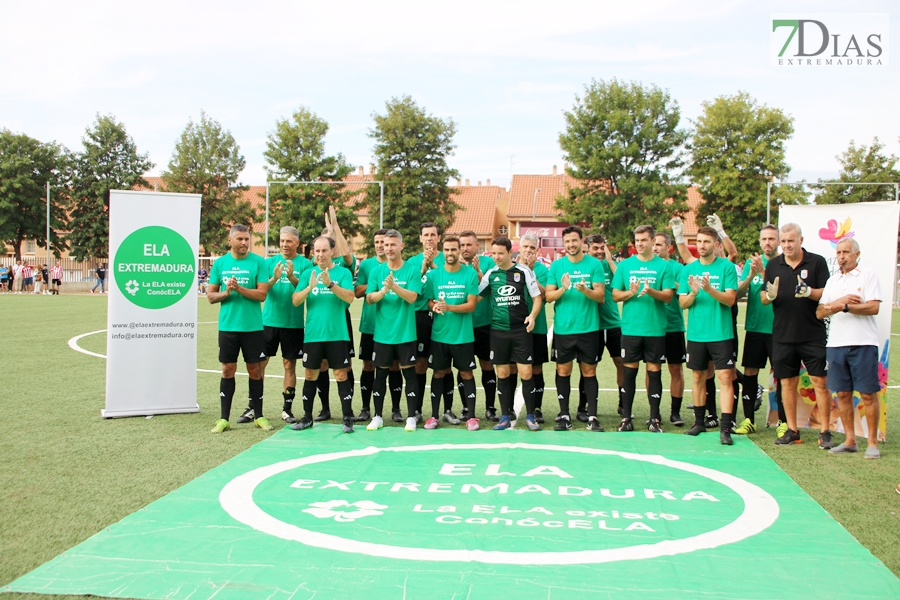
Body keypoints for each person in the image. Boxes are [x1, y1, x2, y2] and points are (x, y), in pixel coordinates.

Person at [762, 223, 833, 448]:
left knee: (820, 382)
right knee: (787, 384)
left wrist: (810, 292)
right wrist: (770, 295)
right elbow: (764, 297)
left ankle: (826, 431)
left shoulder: (817, 262)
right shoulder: (774, 265)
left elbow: (827, 293)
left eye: (790, 241)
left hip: (813, 334)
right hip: (783, 335)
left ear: (801, 240)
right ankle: (792, 430)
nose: (786, 245)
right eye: (783, 241)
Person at [818, 239, 882, 459]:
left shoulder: (867, 275)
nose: (842, 256)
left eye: (846, 252)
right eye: (838, 252)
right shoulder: (832, 281)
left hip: (863, 343)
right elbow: (819, 312)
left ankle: (872, 442)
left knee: (867, 393)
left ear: (857, 254)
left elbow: (873, 307)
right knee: (843, 393)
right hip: (836, 344)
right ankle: (850, 440)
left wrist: (844, 306)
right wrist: (838, 302)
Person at [242, 226, 311, 425]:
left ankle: (287, 409)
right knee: (259, 365)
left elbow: (306, 289)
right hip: (268, 322)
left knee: (289, 365)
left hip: (293, 323)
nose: (284, 244)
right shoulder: (269, 262)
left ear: (297, 243)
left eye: (289, 241)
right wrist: (274, 278)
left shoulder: (306, 264)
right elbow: (262, 289)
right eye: (282, 240)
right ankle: (254, 407)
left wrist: (290, 277)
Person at [611, 225, 676, 432]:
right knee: (629, 373)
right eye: (637, 240)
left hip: (655, 329)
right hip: (631, 329)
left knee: (654, 371)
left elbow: (668, 297)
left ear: (652, 241)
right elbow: (615, 295)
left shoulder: (663, 266)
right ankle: (627, 419)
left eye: (644, 240)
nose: (639, 244)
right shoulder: (625, 266)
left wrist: (651, 291)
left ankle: (654, 418)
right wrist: (631, 293)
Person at [207, 224, 271, 433]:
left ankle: (259, 416)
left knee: (255, 370)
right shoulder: (220, 264)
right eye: (240, 239)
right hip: (228, 327)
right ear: (230, 241)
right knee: (227, 370)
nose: (244, 243)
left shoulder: (259, 262)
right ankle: (223, 419)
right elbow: (211, 296)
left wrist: (239, 288)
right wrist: (227, 293)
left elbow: (262, 294)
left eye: (247, 239)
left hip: (252, 327)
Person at [678, 227, 739, 445]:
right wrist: (694, 292)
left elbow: (730, 300)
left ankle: (725, 428)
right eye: (699, 242)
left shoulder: (727, 267)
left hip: (721, 334)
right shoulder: (688, 270)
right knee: (697, 377)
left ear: (716, 244)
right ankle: (699, 422)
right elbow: (682, 304)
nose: (702, 245)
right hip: (696, 334)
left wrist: (710, 289)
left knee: (724, 378)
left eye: (706, 241)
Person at [290, 236, 356, 433]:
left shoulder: (343, 273)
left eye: (324, 250)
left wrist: (330, 285)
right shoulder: (307, 274)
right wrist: (309, 287)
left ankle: (347, 418)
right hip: (313, 335)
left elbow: (350, 298)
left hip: (337, 334)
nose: (320, 254)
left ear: (332, 252)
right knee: (310, 374)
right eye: (317, 251)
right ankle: (307, 417)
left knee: (341, 374)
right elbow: (295, 300)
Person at [478, 236, 543, 431]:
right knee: (503, 373)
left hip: (520, 331)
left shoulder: (523, 271)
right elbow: (476, 297)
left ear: (509, 253)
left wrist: (532, 316)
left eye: (500, 253)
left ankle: (530, 416)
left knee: (526, 372)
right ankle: (505, 416)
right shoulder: (490, 275)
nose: (496, 257)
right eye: (493, 253)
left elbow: (538, 298)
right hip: (498, 331)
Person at [545, 226, 606, 432]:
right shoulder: (557, 266)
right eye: (567, 241)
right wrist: (564, 288)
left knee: (589, 371)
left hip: (588, 328)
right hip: (564, 329)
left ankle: (592, 416)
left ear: (582, 242)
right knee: (563, 370)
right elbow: (548, 296)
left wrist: (585, 289)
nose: (571, 245)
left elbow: (600, 296)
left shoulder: (595, 265)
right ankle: (564, 415)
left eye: (574, 240)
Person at [365, 229, 424, 432]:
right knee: (380, 376)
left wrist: (393, 287)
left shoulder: (412, 270)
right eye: (384, 244)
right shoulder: (376, 271)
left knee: (410, 376)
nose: (387, 248)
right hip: (383, 334)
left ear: (401, 246)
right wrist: (383, 290)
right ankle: (378, 416)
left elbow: (413, 297)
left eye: (391, 244)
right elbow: (369, 299)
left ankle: (411, 418)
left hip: (406, 333)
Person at [424, 235, 480, 430]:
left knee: (466, 373)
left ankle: (472, 417)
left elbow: (471, 305)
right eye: (446, 250)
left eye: (453, 249)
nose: (450, 253)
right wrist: (435, 307)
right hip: (439, 335)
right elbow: (429, 301)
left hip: (463, 336)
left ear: (459, 251)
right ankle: (433, 416)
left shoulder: (470, 274)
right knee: (439, 373)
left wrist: (449, 307)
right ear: (443, 251)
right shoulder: (433, 276)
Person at [734, 225, 780, 435]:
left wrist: (763, 271)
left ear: (778, 241)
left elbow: (780, 293)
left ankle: (784, 422)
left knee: (782, 376)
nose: (767, 242)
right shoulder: (752, 264)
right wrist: (751, 274)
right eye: (764, 239)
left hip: (778, 330)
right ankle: (749, 420)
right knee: (750, 372)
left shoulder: (783, 263)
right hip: (754, 327)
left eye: (772, 238)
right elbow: (738, 294)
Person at [356, 229, 403, 423]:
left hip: (392, 327)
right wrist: (377, 285)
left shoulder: (400, 267)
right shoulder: (368, 265)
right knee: (368, 366)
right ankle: (366, 408)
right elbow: (358, 291)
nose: (381, 246)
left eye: (384, 242)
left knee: (394, 366)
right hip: (370, 325)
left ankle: (396, 409)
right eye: (377, 242)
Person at [407, 222, 444, 420]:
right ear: (420, 238)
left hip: (443, 316)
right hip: (419, 316)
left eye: (433, 234)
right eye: (425, 235)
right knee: (419, 365)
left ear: (439, 238)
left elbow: (446, 282)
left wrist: (433, 266)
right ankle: (417, 409)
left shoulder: (447, 259)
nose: (429, 238)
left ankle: (445, 410)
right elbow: (413, 289)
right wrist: (423, 267)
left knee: (442, 365)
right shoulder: (412, 262)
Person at [585, 234, 625, 419]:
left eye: (602, 247)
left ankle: (623, 403)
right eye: (596, 248)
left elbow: (623, 280)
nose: (600, 251)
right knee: (588, 366)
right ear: (588, 248)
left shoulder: (610, 266)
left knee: (621, 364)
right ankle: (583, 405)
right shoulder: (585, 267)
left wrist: (610, 261)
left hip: (614, 324)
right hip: (592, 326)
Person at [459, 231, 498, 421]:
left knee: (487, 364)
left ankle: (490, 407)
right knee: (463, 367)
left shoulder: (488, 263)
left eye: (469, 245)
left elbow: (493, 286)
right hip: (462, 324)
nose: (465, 248)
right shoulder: (454, 265)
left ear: (477, 247)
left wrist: (479, 273)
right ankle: (466, 408)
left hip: (484, 324)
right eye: (462, 245)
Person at [652, 232, 687, 426]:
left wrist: (668, 282)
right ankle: (654, 411)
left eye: (659, 244)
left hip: (673, 326)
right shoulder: (647, 267)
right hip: (652, 326)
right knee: (652, 369)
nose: (655, 247)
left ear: (669, 248)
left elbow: (684, 290)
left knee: (676, 368)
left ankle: (675, 412)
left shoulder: (677, 268)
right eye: (653, 244)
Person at [518, 234, 549, 423]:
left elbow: (545, 295)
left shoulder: (541, 270)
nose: (528, 250)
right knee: (514, 368)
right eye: (525, 247)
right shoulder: (511, 268)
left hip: (537, 327)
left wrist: (531, 272)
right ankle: (508, 409)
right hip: (515, 327)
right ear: (519, 249)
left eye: (532, 247)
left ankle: (536, 408)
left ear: (537, 251)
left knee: (536, 368)